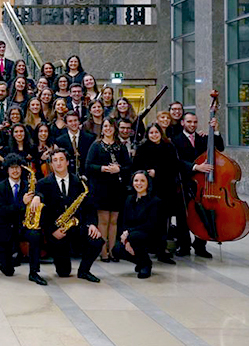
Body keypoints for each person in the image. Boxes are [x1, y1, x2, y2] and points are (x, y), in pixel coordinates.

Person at [35, 149, 104, 282]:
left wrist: (92, 225)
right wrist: (51, 231)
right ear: (51, 165)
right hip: (57, 230)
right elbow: (42, 214)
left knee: (96, 241)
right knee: (63, 272)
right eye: (55, 160)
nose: (59, 163)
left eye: (61, 159)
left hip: (77, 226)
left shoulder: (79, 182)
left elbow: (90, 208)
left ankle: (84, 270)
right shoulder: (42, 184)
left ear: (67, 162)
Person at [172, 111, 224, 258]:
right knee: (183, 216)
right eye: (189, 122)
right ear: (183, 123)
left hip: (203, 184)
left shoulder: (203, 138)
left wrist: (216, 130)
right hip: (184, 183)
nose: (192, 125)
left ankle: (200, 246)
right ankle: (184, 246)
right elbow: (177, 161)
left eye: (194, 122)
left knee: (203, 214)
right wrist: (195, 167)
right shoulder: (175, 140)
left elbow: (219, 148)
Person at [0, 154, 46, 285]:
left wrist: (38, 197)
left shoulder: (28, 185)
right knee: (8, 271)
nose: (15, 171)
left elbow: (39, 192)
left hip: (23, 226)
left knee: (35, 235)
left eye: (17, 167)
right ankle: (8, 261)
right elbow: (1, 211)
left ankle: (34, 272)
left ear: (21, 169)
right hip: (6, 228)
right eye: (12, 168)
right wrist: (22, 203)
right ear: (7, 170)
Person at [85, 118, 132, 261]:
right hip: (101, 187)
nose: (108, 129)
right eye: (105, 126)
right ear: (102, 128)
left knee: (114, 221)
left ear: (115, 128)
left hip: (116, 188)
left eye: (111, 126)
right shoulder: (96, 145)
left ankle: (112, 251)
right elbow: (88, 166)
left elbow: (128, 167)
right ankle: (102, 251)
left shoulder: (121, 146)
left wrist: (119, 169)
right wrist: (103, 168)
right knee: (103, 220)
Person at [133, 123, 180, 264]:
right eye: (151, 133)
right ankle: (147, 249)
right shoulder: (142, 148)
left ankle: (161, 250)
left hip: (165, 189)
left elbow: (174, 167)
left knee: (163, 222)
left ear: (161, 133)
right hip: (148, 191)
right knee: (148, 221)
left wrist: (157, 172)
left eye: (156, 132)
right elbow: (136, 166)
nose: (154, 135)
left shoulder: (169, 147)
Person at [112, 171, 162, 278]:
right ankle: (142, 262)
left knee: (135, 238)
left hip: (150, 235)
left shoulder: (155, 201)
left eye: (142, 181)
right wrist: (125, 238)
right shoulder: (129, 199)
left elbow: (150, 225)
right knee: (116, 250)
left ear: (148, 183)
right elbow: (124, 221)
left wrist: (128, 235)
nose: (139, 183)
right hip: (132, 235)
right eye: (136, 180)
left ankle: (145, 266)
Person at [55, 111, 96, 177]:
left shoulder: (90, 138)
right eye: (70, 121)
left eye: (75, 120)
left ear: (79, 122)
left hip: (87, 175)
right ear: (66, 124)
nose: (73, 123)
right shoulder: (60, 141)